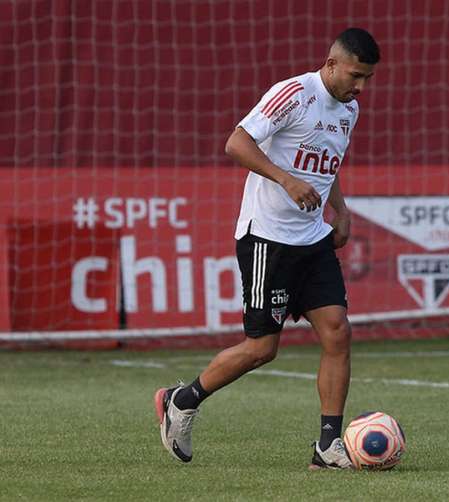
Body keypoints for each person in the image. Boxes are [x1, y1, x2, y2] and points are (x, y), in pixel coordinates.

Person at [154, 27, 380, 470]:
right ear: (331, 64)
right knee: (262, 349)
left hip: (312, 237)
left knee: (338, 331)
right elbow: (236, 142)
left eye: (368, 78)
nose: (361, 87)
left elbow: (327, 164)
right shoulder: (293, 93)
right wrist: (287, 179)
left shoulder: (348, 109)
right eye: (356, 75)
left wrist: (342, 210)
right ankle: (182, 400)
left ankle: (328, 448)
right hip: (267, 239)